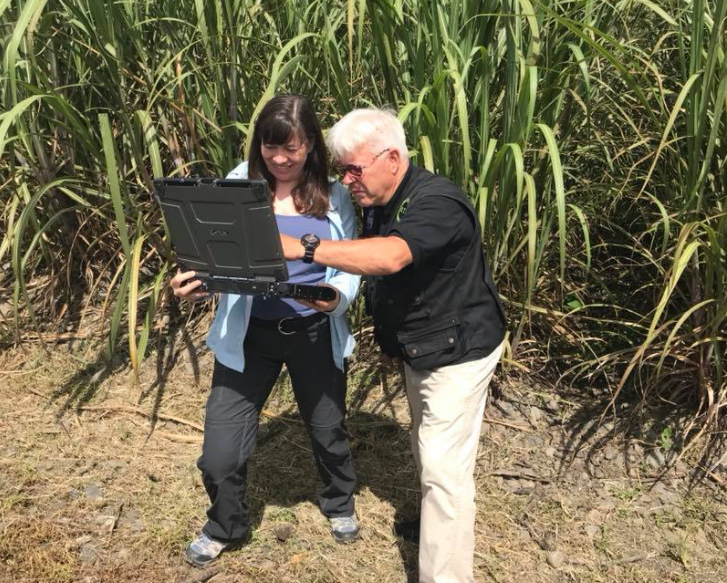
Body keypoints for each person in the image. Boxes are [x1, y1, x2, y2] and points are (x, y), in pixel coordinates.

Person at [280, 108, 507, 583]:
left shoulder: (437, 202)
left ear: (393, 157)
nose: (347, 180)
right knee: (428, 448)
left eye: (354, 169)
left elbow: (389, 257)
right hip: (425, 346)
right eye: (342, 169)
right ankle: (433, 525)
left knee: (445, 473)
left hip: (458, 352)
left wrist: (301, 246)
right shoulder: (383, 195)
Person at [171, 95, 362, 568]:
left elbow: (352, 267)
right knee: (219, 451)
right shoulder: (239, 183)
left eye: (291, 149)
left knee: (327, 429)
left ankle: (339, 500)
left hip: (314, 331)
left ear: (311, 144)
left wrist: (335, 299)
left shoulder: (335, 195)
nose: (279, 159)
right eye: (270, 147)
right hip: (249, 335)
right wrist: (195, 285)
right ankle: (225, 524)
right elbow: (213, 257)